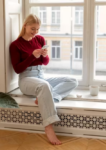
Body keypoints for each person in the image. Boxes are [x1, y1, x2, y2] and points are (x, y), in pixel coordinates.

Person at [10, 14, 78, 145]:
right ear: (25, 26)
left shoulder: (40, 39)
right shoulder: (15, 45)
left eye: (37, 29)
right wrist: (32, 56)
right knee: (44, 86)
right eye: (32, 29)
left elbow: (45, 63)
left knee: (72, 80)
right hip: (26, 79)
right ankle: (49, 127)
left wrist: (45, 56)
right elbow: (17, 69)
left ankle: (48, 97)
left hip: (41, 75)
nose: (35, 32)